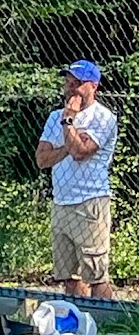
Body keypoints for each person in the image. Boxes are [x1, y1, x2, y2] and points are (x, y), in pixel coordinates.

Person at [35, 60, 118, 299]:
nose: (71, 88)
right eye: (68, 83)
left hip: (90, 202)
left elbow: (81, 152)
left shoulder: (103, 118)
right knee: (68, 276)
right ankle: (79, 321)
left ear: (93, 86)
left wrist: (70, 120)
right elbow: (42, 159)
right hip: (61, 203)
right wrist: (66, 146)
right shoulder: (55, 118)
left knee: (95, 274)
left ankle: (111, 324)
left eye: (78, 83)